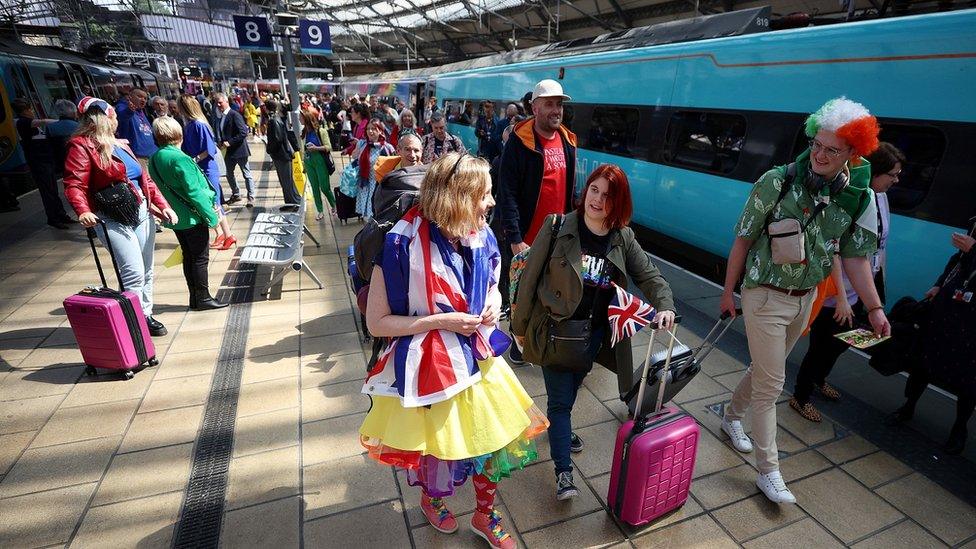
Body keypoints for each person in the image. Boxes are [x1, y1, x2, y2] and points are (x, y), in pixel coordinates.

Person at [360, 152, 545, 549]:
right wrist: (440, 322)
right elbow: (378, 323)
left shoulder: (481, 233)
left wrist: (495, 301)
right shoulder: (398, 245)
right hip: (431, 367)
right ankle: (433, 501)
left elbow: (493, 282)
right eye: (484, 194)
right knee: (438, 450)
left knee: (493, 442)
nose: (491, 203)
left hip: (479, 354)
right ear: (457, 197)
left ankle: (484, 513)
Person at [719, 97, 891, 504]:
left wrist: (875, 307)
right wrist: (729, 292)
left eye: (833, 149)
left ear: (853, 152)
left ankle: (730, 418)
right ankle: (769, 472)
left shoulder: (856, 197)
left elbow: (855, 257)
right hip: (764, 294)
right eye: (817, 144)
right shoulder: (776, 181)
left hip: (805, 299)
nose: (820, 155)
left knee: (764, 372)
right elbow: (743, 240)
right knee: (772, 383)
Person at [511, 164, 676, 500]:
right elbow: (528, 281)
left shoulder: (622, 237)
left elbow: (649, 276)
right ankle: (563, 473)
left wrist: (666, 305)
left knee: (569, 394)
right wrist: (520, 329)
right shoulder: (558, 227)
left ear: (619, 203)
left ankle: (561, 429)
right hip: (554, 332)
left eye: (607, 195)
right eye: (594, 190)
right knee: (559, 403)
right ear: (586, 191)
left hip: (593, 338)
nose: (597, 200)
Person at [790, 142, 906, 422]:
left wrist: (876, 292)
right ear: (876, 172)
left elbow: (879, 246)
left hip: (858, 292)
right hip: (835, 292)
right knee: (821, 346)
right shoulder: (852, 197)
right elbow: (836, 251)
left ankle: (819, 379)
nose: (896, 180)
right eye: (892, 174)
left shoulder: (880, 197)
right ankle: (800, 396)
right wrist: (842, 298)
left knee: (841, 343)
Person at [64, 96, 177, 337]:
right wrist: (83, 210)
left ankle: (144, 314)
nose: (117, 119)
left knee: (146, 269)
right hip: (111, 216)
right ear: (102, 118)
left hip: (140, 210)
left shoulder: (121, 145)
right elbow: (75, 183)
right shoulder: (81, 146)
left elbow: (143, 179)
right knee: (132, 271)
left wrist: (162, 205)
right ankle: (132, 321)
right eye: (113, 114)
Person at [497, 79, 577, 363]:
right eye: (549, 104)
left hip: (560, 235)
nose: (556, 110)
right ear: (535, 107)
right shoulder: (520, 142)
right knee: (522, 295)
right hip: (528, 237)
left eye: (559, 105)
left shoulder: (567, 140)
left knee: (553, 291)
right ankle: (518, 344)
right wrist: (516, 238)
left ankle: (544, 340)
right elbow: (506, 193)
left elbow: (569, 190)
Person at [888, 217, 976, 454]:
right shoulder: (974, 221)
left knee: (968, 375)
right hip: (948, 305)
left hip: (972, 318)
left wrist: (974, 250)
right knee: (925, 359)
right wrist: (940, 284)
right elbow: (957, 260)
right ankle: (908, 405)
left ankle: (959, 428)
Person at [148, 117, 227, 311]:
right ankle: (203, 297)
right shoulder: (179, 158)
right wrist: (212, 217)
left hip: (177, 218)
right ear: (178, 134)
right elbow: (195, 192)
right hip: (192, 217)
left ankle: (195, 297)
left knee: (189, 257)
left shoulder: (155, 157)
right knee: (200, 258)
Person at [176, 95, 236, 250]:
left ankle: (228, 235)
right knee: (211, 203)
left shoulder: (198, 125)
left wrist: (194, 160)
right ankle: (223, 234)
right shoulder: (191, 125)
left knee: (214, 203)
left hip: (206, 169)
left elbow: (209, 150)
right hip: (200, 169)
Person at [13, 98, 73, 229]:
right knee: (48, 191)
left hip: (46, 161)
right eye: (30, 109)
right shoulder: (21, 122)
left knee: (53, 190)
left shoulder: (27, 122)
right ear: (24, 111)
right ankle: (53, 218)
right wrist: (63, 122)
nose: (32, 111)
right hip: (38, 163)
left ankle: (61, 214)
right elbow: (44, 121)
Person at [213, 92, 254, 206]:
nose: (218, 105)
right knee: (228, 173)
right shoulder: (221, 117)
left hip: (240, 150)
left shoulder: (234, 115)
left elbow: (243, 132)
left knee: (246, 173)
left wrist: (229, 142)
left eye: (220, 103)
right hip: (228, 152)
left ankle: (251, 196)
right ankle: (236, 194)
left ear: (226, 102)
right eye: (217, 103)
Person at [351, 118, 396, 219]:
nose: (370, 131)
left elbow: (393, 168)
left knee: (377, 215)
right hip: (365, 185)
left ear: (380, 130)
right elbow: (355, 160)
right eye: (368, 129)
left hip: (379, 186)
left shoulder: (387, 148)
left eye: (374, 129)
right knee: (368, 218)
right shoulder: (363, 145)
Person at [264, 99, 301, 205]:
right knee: (287, 180)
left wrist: (270, 149)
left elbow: (277, 138)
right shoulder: (277, 119)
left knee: (286, 181)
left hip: (281, 155)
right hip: (283, 154)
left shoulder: (274, 120)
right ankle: (292, 201)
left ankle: (293, 201)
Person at [300, 110, 336, 220]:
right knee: (314, 188)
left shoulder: (321, 131)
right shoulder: (304, 132)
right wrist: (304, 164)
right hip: (308, 161)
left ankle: (334, 204)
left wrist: (316, 148)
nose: (299, 120)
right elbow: (302, 149)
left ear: (306, 119)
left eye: (301, 118)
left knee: (324, 187)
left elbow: (328, 147)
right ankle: (320, 211)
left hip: (320, 160)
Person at [114, 88, 157, 167]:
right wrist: (130, 110)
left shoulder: (142, 112)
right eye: (139, 96)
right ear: (130, 97)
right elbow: (122, 116)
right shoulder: (122, 107)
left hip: (152, 154)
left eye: (145, 98)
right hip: (139, 157)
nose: (143, 100)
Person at [46, 99, 81, 180]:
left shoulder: (50, 128)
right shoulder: (80, 126)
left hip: (63, 165)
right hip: (80, 161)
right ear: (73, 112)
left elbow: (50, 149)